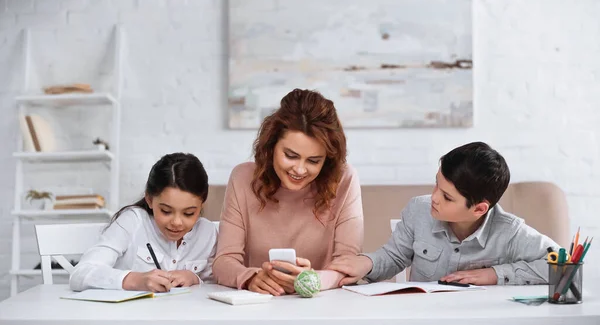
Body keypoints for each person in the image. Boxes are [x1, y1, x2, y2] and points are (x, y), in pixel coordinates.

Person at [329, 142, 559, 286]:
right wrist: (366, 264)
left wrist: (495, 274)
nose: (435, 198)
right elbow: (394, 256)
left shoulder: (509, 232)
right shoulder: (419, 210)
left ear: (479, 208)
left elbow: (562, 264)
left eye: (447, 197)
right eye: (436, 185)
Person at [213, 88, 364, 295]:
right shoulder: (243, 178)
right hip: (258, 305)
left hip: (323, 306)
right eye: (290, 155)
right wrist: (250, 278)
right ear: (271, 145)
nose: (300, 170)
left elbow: (349, 263)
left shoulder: (344, 180)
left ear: (327, 160)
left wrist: (310, 281)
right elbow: (223, 261)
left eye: (313, 161)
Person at [70, 153, 217, 292]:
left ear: (201, 206)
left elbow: (217, 286)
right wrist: (134, 280)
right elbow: (80, 274)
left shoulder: (208, 233)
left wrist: (194, 278)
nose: (177, 222)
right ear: (149, 199)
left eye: (189, 213)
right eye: (166, 211)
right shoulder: (133, 222)